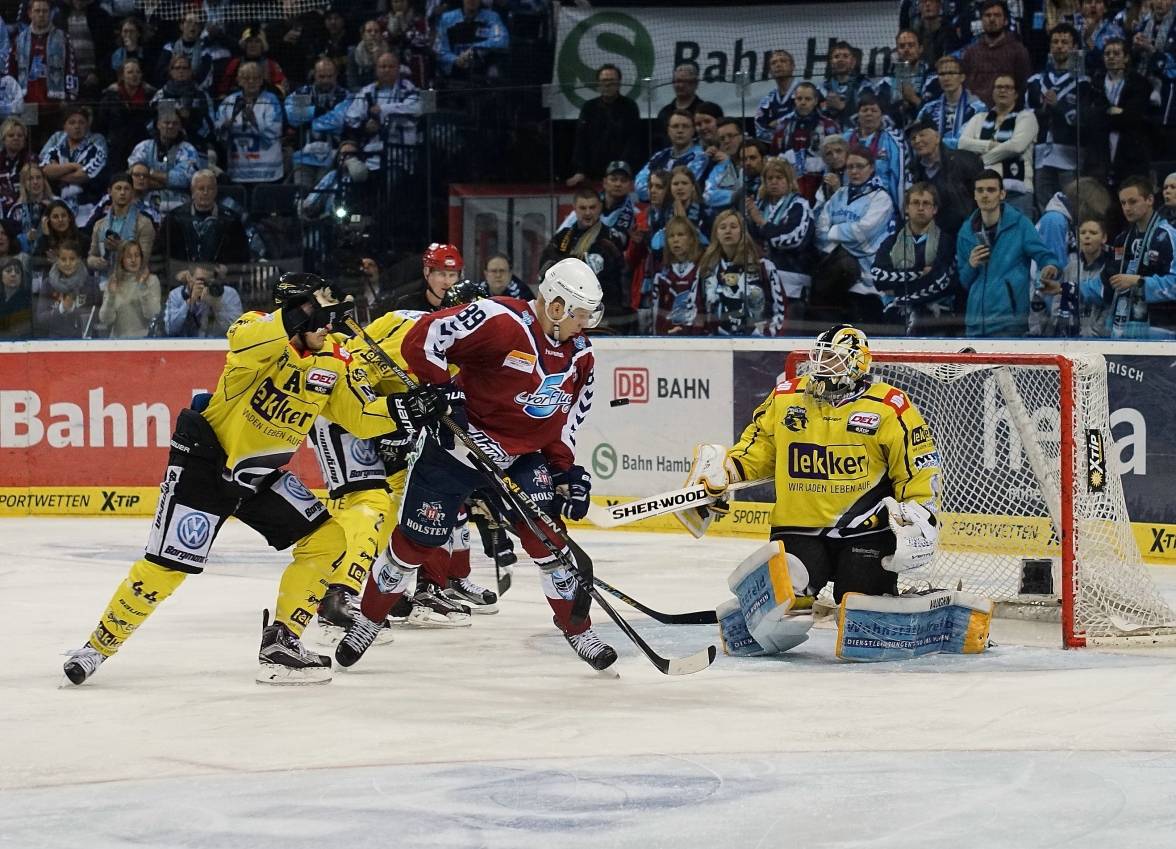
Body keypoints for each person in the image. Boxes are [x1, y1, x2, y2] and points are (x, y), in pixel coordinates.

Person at [61, 272, 446, 686]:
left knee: (326, 539)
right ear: (294, 311)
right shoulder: (253, 330)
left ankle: (282, 641)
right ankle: (96, 647)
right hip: (206, 465)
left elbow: (358, 416)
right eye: (317, 315)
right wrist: (297, 316)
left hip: (259, 476)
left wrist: (405, 409)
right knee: (166, 568)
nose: (327, 326)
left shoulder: (333, 358)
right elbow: (252, 338)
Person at [334, 258, 620, 672]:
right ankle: (368, 619)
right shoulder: (499, 319)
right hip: (453, 451)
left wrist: (565, 470)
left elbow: (565, 418)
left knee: (549, 545)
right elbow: (423, 338)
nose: (584, 325)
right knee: (414, 545)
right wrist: (444, 393)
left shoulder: (580, 356)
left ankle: (579, 631)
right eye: (578, 314)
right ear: (556, 307)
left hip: (520, 459)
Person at [696, 324, 941, 610]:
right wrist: (728, 472)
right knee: (782, 598)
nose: (823, 365)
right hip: (799, 527)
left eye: (833, 358)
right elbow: (760, 446)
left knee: (860, 605)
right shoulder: (787, 397)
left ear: (857, 362)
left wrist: (919, 513)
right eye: (820, 357)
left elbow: (917, 467)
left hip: (865, 532)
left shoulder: (889, 406)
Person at [956, 169, 1061, 337]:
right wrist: (971, 265)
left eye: (991, 190)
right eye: (980, 190)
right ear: (974, 195)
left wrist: (1050, 267)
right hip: (975, 325)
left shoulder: (1020, 225)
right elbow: (963, 282)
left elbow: (1044, 255)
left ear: (1002, 194)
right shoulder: (965, 232)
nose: (985, 195)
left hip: (1010, 324)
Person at [814, 146, 896, 326]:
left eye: (860, 166)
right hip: (837, 280)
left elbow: (863, 233)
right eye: (850, 167)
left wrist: (834, 234)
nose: (854, 171)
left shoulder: (881, 198)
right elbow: (820, 229)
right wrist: (842, 240)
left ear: (871, 167)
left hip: (868, 286)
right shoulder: (840, 194)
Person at [872, 182, 961, 335]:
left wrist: (897, 292)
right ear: (907, 208)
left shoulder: (945, 241)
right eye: (915, 203)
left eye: (926, 203)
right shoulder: (892, 241)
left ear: (935, 209)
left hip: (934, 320)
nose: (920, 208)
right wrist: (919, 272)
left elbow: (940, 283)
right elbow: (878, 277)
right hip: (895, 318)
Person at [539, 187, 630, 332]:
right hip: (566, 315)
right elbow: (544, 269)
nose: (588, 212)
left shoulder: (610, 239)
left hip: (602, 315)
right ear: (574, 208)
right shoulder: (562, 237)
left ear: (600, 207)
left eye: (592, 207)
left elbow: (622, 278)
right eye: (583, 208)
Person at [1025, 23, 1092, 210]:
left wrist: (1058, 106)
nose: (1059, 46)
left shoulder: (1083, 83)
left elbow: (1082, 120)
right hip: (1041, 154)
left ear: (1074, 48)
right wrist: (1043, 110)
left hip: (1069, 154)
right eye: (1055, 42)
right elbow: (1025, 116)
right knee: (1043, 205)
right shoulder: (1035, 81)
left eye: (1065, 42)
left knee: (1072, 205)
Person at [958, 74, 1039, 220]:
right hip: (985, 189)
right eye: (999, 87)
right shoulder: (979, 118)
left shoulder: (1026, 117)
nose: (1003, 91)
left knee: (1017, 237)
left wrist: (982, 160)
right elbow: (962, 144)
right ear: (993, 92)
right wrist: (990, 144)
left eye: (1008, 87)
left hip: (1017, 190)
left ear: (1016, 94)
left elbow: (1015, 147)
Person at [1104, 175, 1176, 338]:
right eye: (1123, 203)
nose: (1127, 208)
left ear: (1150, 200)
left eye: (1133, 201)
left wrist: (1139, 282)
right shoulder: (1122, 239)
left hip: (1161, 331)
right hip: (1121, 329)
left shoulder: (1169, 236)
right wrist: (1067, 288)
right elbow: (1107, 280)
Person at [746, 158, 815, 326]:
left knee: (787, 332)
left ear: (789, 180)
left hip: (792, 280)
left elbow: (792, 239)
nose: (774, 182)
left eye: (779, 178)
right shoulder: (760, 205)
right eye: (769, 178)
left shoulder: (800, 205)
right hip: (763, 278)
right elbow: (750, 238)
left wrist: (762, 223)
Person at [699, 209, 781, 336]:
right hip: (720, 344)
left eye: (733, 226)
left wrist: (767, 336)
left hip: (758, 344)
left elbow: (780, 309)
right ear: (716, 234)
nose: (728, 231)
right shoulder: (709, 270)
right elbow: (702, 311)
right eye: (722, 227)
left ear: (742, 232)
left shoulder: (763, 266)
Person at [341, 52, 421, 171]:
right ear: (376, 70)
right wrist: (365, 127)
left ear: (398, 69)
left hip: (400, 152)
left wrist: (383, 110)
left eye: (391, 66)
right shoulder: (367, 91)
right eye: (383, 67)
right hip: (370, 152)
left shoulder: (408, 88)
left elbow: (416, 108)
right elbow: (351, 119)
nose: (387, 70)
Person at [1090, 37, 1152, 190]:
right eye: (1107, 53)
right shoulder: (1096, 83)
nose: (1111, 57)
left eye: (1116, 53)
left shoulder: (1139, 82)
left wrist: (1107, 113)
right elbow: (1091, 117)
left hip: (1131, 154)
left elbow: (1133, 118)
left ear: (1126, 58)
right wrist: (1117, 113)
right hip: (1101, 153)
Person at [566, 64, 643, 187]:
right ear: (598, 84)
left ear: (619, 83)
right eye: (604, 81)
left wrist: (623, 169)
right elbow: (581, 140)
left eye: (612, 81)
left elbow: (633, 142)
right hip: (593, 173)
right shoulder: (589, 107)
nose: (607, 85)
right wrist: (580, 171)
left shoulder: (630, 107)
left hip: (622, 172)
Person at [907, 117, 984, 238]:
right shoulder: (914, 170)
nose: (917, 140)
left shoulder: (964, 161)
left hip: (968, 232)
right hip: (937, 236)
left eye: (922, 135)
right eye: (913, 138)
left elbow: (981, 197)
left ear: (937, 137)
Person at [13, 0, 78, 135]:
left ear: (50, 13)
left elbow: (71, 68)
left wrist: (70, 97)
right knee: (30, 143)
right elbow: (11, 71)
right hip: (28, 103)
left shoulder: (63, 38)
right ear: (30, 13)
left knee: (54, 144)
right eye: (37, 11)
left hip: (55, 103)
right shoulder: (20, 39)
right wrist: (14, 99)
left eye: (45, 11)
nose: (41, 14)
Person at [216, 62, 286, 185]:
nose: (251, 81)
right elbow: (217, 128)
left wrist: (254, 122)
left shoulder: (271, 100)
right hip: (238, 170)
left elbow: (275, 131)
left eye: (256, 78)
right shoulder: (228, 101)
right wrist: (225, 126)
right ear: (239, 81)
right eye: (247, 78)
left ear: (261, 80)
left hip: (267, 171)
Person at [285, 57, 350, 190]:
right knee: (301, 195)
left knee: (323, 194)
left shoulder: (344, 95)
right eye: (321, 76)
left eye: (329, 76)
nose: (326, 80)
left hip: (332, 156)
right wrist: (318, 111)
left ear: (336, 75)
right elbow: (294, 118)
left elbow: (339, 121)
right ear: (314, 75)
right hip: (303, 156)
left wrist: (310, 120)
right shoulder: (303, 93)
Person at [770, 83, 840, 202]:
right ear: (794, 99)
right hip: (790, 184)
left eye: (808, 99)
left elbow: (838, 158)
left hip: (821, 183)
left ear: (815, 100)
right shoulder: (783, 125)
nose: (803, 102)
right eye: (799, 98)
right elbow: (775, 156)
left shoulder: (829, 126)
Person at [38, 106, 109, 224]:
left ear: (87, 126)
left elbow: (82, 176)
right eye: (72, 122)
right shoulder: (55, 150)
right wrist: (73, 166)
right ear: (64, 127)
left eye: (81, 123)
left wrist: (57, 173)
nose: (77, 126)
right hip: (57, 205)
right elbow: (45, 170)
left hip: (87, 205)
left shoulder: (96, 150)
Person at [164, 169, 249, 266]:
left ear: (216, 191)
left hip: (220, 279)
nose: (205, 192)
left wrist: (222, 270)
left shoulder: (231, 220)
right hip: (183, 277)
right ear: (192, 191)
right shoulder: (174, 218)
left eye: (210, 188)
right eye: (201, 188)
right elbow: (161, 255)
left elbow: (242, 258)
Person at [127, 111, 200, 215]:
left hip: (179, 206)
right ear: (158, 124)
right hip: (145, 205)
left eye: (175, 123)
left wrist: (150, 173)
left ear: (180, 127)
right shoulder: (143, 147)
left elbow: (183, 180)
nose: (170, 126)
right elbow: (134, 176)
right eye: (166, 122)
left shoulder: (188, 149)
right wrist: (166, 182)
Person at [961, 0, 1033, 105]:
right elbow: (964, 85)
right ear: (981, 20)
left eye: (997, 15)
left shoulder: (1018, 51)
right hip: (974, 113)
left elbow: (1024, 86)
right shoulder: (971, 52)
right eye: (987, 15)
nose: (992, 19)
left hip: (1007, 111)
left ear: (1006, 21)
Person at [86, 172, 155, 279]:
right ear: (110, 192)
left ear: (132, 192)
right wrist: (98, 262)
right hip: (104, 282)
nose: (122, 192)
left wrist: (121, 247)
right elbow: (91, 257)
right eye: (118, 188)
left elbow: (143, 260)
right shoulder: (99, 225)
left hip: (132, 284)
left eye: (126, 189)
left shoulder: (144, 224)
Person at [847, 93, 907, 210]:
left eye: (874, 110)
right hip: (849, 202)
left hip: (882, 203)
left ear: (881, 115)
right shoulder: (846, 138)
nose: (869, 113)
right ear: (857, 115)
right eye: (865, 110)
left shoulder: (894, 140)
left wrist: (901, 210)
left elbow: (901, 177)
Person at [433, 0, 510, 87]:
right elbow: (440, 51)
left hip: (483, 74)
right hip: (455, 74)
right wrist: (456, 60)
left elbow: (502, 40)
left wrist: (474, 49)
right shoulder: (447, 18)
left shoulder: (492, 17)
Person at [915, 55, 985, 149]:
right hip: (936, 160)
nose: (946, 78)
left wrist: (934, 143)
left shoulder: (978, 108)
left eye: (951, 73)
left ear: (962, 77)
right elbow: (917, 137)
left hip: (967, 159)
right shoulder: (928, 109)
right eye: (942, 74)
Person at [634, 110, 706, 202]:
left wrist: (655, 192)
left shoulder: (701, 157)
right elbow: (639, 185)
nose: (680, 131)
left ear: (693, 130)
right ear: (668, 130)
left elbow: (682, 188)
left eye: (685, 126)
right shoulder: (659, 155)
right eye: (675, 126)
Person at [95, 58, 155, 169]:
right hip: (117, 145)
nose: (134, 75)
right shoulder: (110, 96)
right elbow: (102, 122)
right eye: (130, 72)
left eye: (138, 72)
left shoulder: (150, 95)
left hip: (142, 144)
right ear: (122, 76)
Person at [150, 54, 215, 156]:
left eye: (185, 68)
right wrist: (177, 111)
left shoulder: (201, 94)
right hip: (165, 142)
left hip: (195, 140)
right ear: (171, 71)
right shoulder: (162, 93)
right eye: (177, 68)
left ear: (190, 71)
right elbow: (152, 120)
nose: (181, 71)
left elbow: (210, 123)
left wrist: (191, 115)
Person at [651, 215, 704, 335]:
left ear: (691, 239)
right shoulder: (662, 275)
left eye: (680, 235)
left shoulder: (701, 270)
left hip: (697, 338)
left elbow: (702, 308)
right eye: (671, 236)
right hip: (668, 338)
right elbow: (657, 312)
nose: (675, 240)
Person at [97, 238, 160, 338]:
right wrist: (112, 296)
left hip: (144, 342)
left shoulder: (151, 281)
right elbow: (105, 320)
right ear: (122, 259)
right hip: (117, 344)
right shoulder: (114, 282)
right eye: (129, 256)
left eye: (137, 255)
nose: (133, 260)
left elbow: (153, 314)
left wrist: (142, 286)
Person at [35, 240, 97, 339]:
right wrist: (61, 309)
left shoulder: (90, 283)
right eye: (63, 259)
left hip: (84, 342)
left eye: (72, 259)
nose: (68, 263)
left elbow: (96, 316)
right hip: (56, 342)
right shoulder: (48, 283)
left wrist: (73, 309)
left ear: (79, 259)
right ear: (57, 260)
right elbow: (41, 319)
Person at [163, 265, 243, 338]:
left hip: (218, 345)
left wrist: (216, 305)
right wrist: (189, 303)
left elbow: (237, 331)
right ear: (189, 278)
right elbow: (170, 330)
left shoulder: (229, 294)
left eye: (209, 281)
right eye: (201, 280)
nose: (205, 285)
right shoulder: (176, 295)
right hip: (185, 346)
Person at [753, 50, 802, 143]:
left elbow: (808, 115)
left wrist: (778, 122)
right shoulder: (767, 101)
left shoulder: (807, 91)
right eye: (773, 63)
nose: (778, 65)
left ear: (793, 66)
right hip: (778, 151)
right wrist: (782, 138)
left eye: (783, 61)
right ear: (770, 70)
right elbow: (759, 131)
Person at [821, 41, 872, 129]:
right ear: (831, 63)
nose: (841, 60)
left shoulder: (864, 85)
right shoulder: (823, 88)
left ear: (853, 62)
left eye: (845, 56)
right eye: (836, 57)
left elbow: (869, 115)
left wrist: (843, 107)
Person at [9, 164, 55, 253]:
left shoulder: (56, 205)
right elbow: (10, 239)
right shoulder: (16, 209)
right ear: (24, 183)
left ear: (44, 180)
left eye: (38, 177)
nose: (35, 182)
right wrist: (26, 237)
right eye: (30, 179)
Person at [654, 64, 704, 145]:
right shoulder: (664, 112)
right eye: (677, 81)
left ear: (695, 83)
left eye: (685, 81)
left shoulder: (703, 111)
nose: (680, 85)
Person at [346, 19, 389, 91]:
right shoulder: (353, 53)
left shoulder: (389, 53)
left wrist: (377, 62)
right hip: (360, 93)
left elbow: (389, 81)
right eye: (369, 31)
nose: (373, 34)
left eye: (376, 31)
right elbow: (352, 84)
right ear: (363, 35)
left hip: (384, 92)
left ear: (381, 35)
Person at [0, 118, 33, 212]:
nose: (16, 138)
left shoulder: (32, 160)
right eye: (11, 135)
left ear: (24, 140)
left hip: (26, 207)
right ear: (3, 139)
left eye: (20, 135)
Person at [0, 256, 31, 338]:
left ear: (21, 277)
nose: (13, 274)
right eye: (8, 271)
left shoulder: (27, 300)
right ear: (1, 276)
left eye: (17, 271)